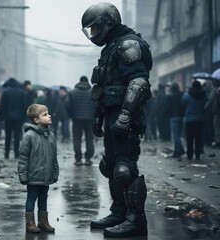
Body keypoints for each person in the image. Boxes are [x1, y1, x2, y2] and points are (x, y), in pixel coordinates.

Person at [82, 3, 152, 237]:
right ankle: (119, 211)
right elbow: (104, 86)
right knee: (110, 166)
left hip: (125, 117)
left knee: (124, 168)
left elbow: (138, 82)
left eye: (94, 28)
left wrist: (125, 116)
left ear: (107, 22)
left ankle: (136, 219)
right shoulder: (111, 47)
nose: (92, 34)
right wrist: (99, 116)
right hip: (112, 115)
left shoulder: (128, 44)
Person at [17, 104, 59, 233]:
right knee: (31, 198)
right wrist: (23, 175)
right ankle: (30, 223)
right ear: (36, 119)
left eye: (48, 113)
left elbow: (54, 156)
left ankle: (43, 222)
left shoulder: (51, 135)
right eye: (45, 115)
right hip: (33, 175)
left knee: (43, 198)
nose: (49, 116)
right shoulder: (29, 136)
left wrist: (55, 172)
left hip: (46, 175)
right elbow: (23, 157)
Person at [66, 76, 94, 165]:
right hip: (90, 119)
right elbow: (97, 105)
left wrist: (72, 115)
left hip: (76, 119)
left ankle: (78, 159)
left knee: (77, 139)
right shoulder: (92, 92)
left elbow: (67, 105)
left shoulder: (72, 92)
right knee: (89, 139)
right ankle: (88, 159)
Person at [0, 77, 26, 159]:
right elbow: (24, 106)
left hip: (8, 118)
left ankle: (6, 153)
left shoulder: (5, 92)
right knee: (17, 136)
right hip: (18, 118)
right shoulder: (22, 92)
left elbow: (2, 106)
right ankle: (16, 153)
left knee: (8, 136)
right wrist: (24, 117)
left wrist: (1, 116)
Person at [182, 80, 207, 160]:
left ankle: (190, 154)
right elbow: (206, 103)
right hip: (200, 119)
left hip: (189, 119)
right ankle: (197, 154)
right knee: (199, 138)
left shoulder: (187, 95)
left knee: (189, 138)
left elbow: (182, 103)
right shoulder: (204, 95)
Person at [164, 82, 185, 158]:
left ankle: (179, 151)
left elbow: (167, 108)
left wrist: (166, 115)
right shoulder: (182, 94)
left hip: (173, 117)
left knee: (176, 136)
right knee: (178, 135)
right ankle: (179, 150)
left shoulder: (169, 96)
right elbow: (183, 105)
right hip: (181, 117)